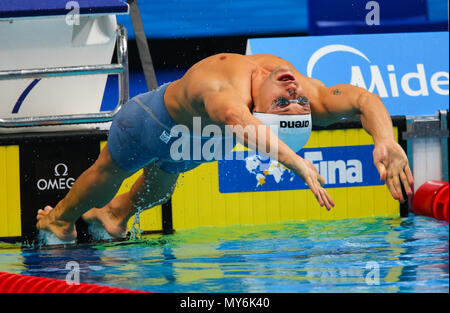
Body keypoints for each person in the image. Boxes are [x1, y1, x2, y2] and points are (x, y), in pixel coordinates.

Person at [36, 53, 414, 242]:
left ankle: (101, 215)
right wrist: (381, 140)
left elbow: (240, 123)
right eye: (294, 100)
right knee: (110, 171)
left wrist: (382, 140)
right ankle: (67, 219)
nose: (294, 93)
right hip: (151, 124)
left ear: (262, 112)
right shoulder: (251, 88)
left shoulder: (244, 99)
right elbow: (363, 100)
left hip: (198, 136)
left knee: (165, 175)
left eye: (284, 103)